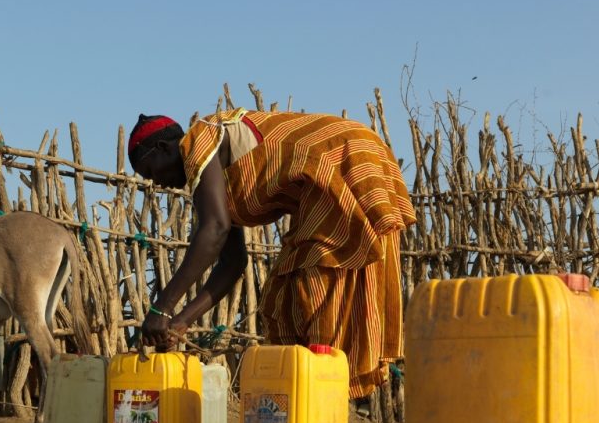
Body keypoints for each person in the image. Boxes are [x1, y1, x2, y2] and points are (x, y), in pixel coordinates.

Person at [129, 107, 416, 405]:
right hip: (322, 183)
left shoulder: (200, 139)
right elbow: (232, 262)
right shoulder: (213, 175)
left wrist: (161, 308)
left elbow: (214, 230)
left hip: (342, 159)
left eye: (150, 172)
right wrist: (181, 321)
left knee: (315, 290)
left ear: (163, 147)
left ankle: (313, 421)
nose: (157, 184)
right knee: (288, 297)